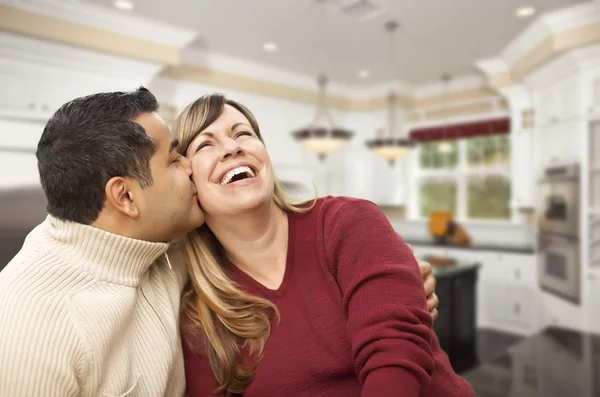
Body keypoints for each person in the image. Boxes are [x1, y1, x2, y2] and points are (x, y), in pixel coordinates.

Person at [0, 87, 439, 397]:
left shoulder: (161, 251)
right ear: (127, 197)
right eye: (182, 156)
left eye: (244, 134)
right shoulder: (30, 325)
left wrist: (396, 283)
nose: (228, 151)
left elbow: (394, 333)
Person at [173, 93, 474, 397]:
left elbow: (396, 358)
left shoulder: (348, 221)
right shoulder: (201, 316)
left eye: (243, 134)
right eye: (206, 144)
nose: (232, 147)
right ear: (188, 181)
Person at [0, 87, 204, 396]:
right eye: (174, 159)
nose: (190, 165)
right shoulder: (30, 324)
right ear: (125, 196)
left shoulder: (160, 242)